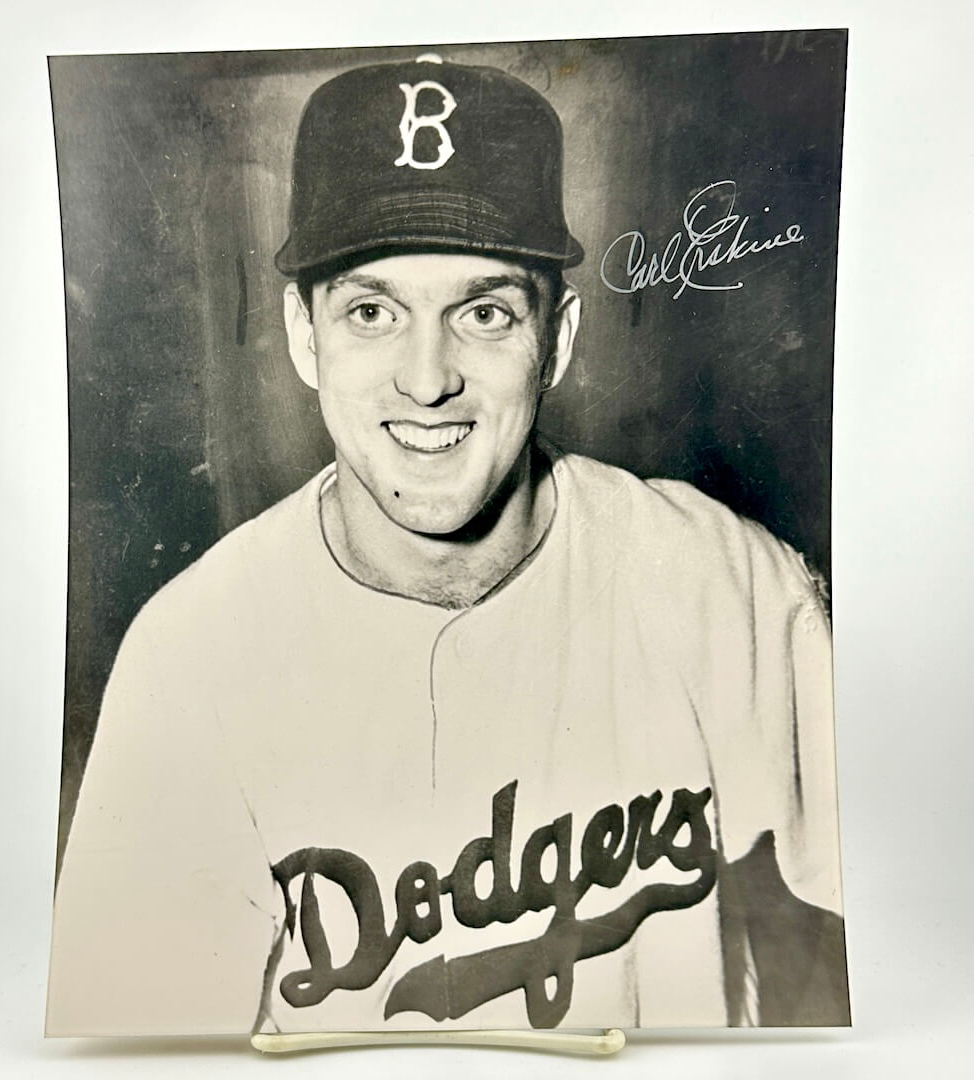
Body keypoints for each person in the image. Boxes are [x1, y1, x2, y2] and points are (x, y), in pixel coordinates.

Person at [47, 55, 849, 1036]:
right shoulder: (192, 655)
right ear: (306, 336)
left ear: (557, 341)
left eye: (484, 312)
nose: (428, 380)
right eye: (372, 312)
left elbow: (914, 914)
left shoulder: (722, 581)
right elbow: (134, 1043)